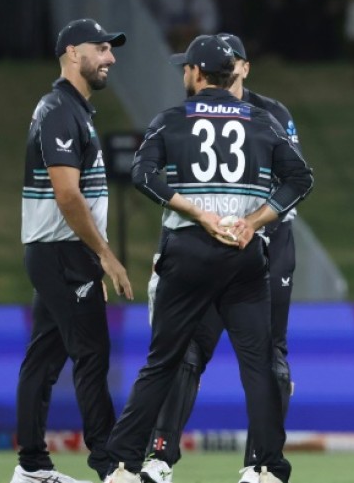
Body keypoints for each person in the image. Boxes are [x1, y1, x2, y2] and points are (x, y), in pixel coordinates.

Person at [102, 34, 313, 483]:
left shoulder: (173, 119)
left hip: (189, 251)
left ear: (197, 73)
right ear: (232, 72)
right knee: (259, 364)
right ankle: (269, 467)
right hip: (244, 254)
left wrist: (196, 211)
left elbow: (142, 173)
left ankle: (123, 462)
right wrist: (252, 221)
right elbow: (300, 178)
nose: (184, 74)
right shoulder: (263, 119)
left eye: (186, 68)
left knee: (164, 359)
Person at [13, 18, 133, 483]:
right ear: (71, 53)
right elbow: (67, 195)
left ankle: (32, 468)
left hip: (61, 252)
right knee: (91, 353)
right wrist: (104, 255)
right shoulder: (59, 108)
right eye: (101, 48)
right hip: (60, 251)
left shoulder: (73, 110)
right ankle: (111, 466)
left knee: (45, 356)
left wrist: (91, 259)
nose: (110, 58)